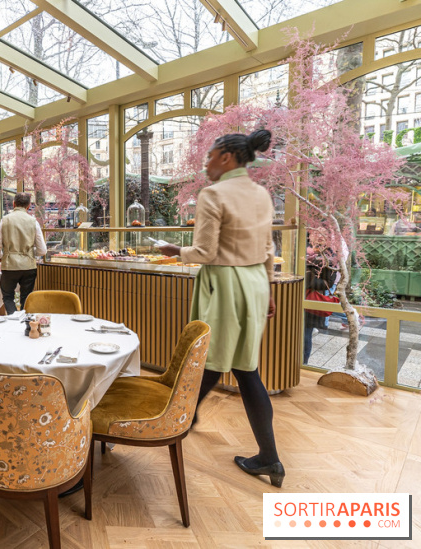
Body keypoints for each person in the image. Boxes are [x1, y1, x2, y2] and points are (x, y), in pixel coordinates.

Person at [159, 129, 285, 488]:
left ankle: (178, 420)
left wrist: (173, 250)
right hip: (256, 285)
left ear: (227, 157)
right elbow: (267, 249)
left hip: (226, 285)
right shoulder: (261, 194)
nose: (206, 162)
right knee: (246, 369)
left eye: (211, 156)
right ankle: (269, 457)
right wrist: (270, 290)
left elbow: (204, 253)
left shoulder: (212, 194)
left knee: (210, 360)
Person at [0, 192, 47, 314]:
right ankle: (24, 324)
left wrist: (0, 257)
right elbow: (42, 250)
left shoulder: (5, 220)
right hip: (29, 266)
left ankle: (13, 321)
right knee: (26, 298)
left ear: (13, 204)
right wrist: (31, 253)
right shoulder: (33, 222)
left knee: (7, 297)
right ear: (28, 206)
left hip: (9, 265)